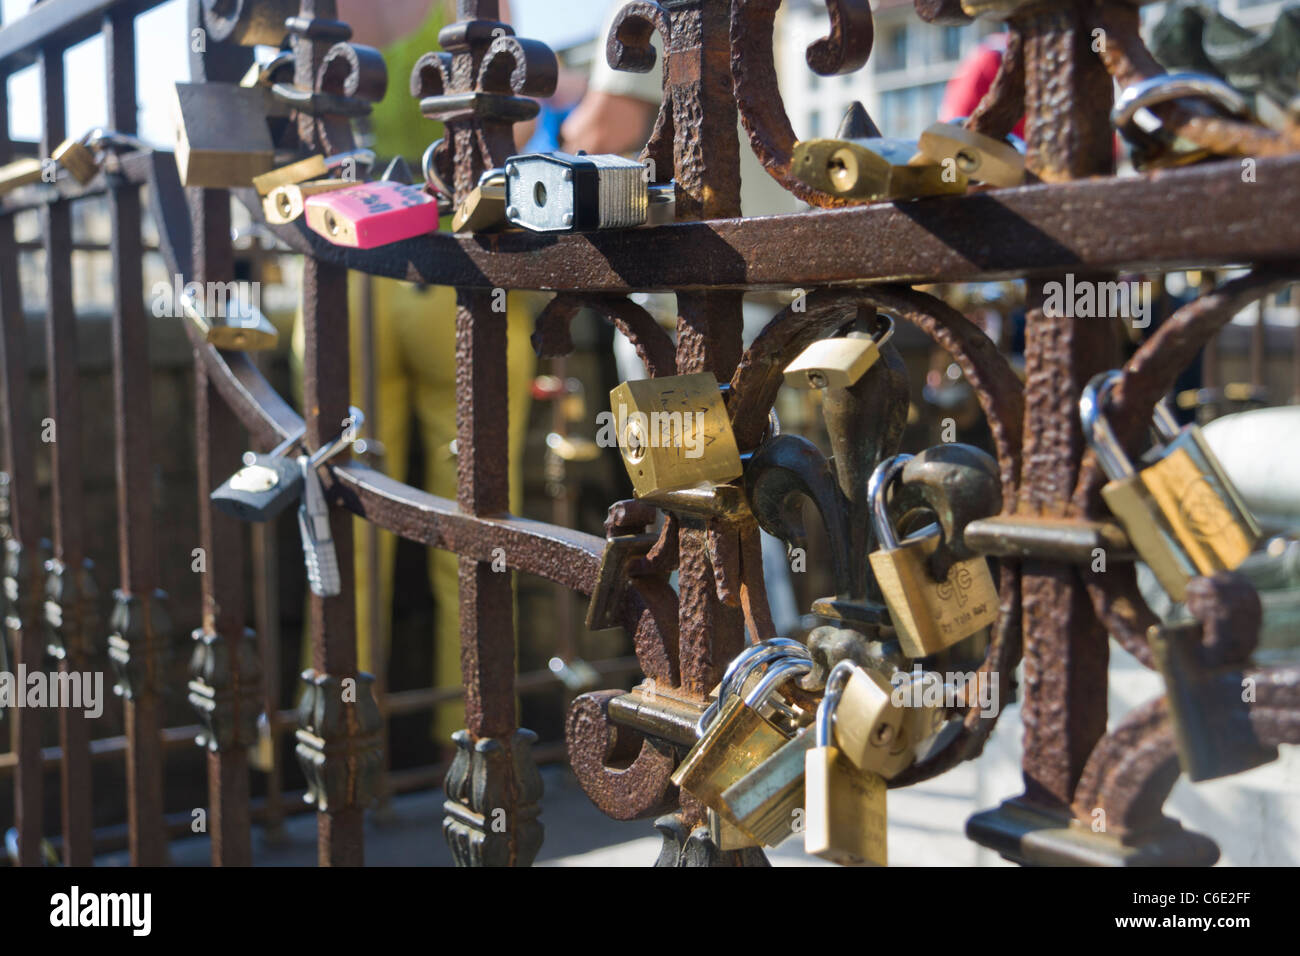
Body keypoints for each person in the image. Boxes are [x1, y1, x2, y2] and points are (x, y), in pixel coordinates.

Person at [293, 0, 536, 747]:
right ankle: (479, 730)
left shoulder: (324, 15)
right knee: (478, 515)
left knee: (341, 503)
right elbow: (512, 130)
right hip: (456, 270)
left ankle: (332, 728)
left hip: (346, 272)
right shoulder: (468, 10)